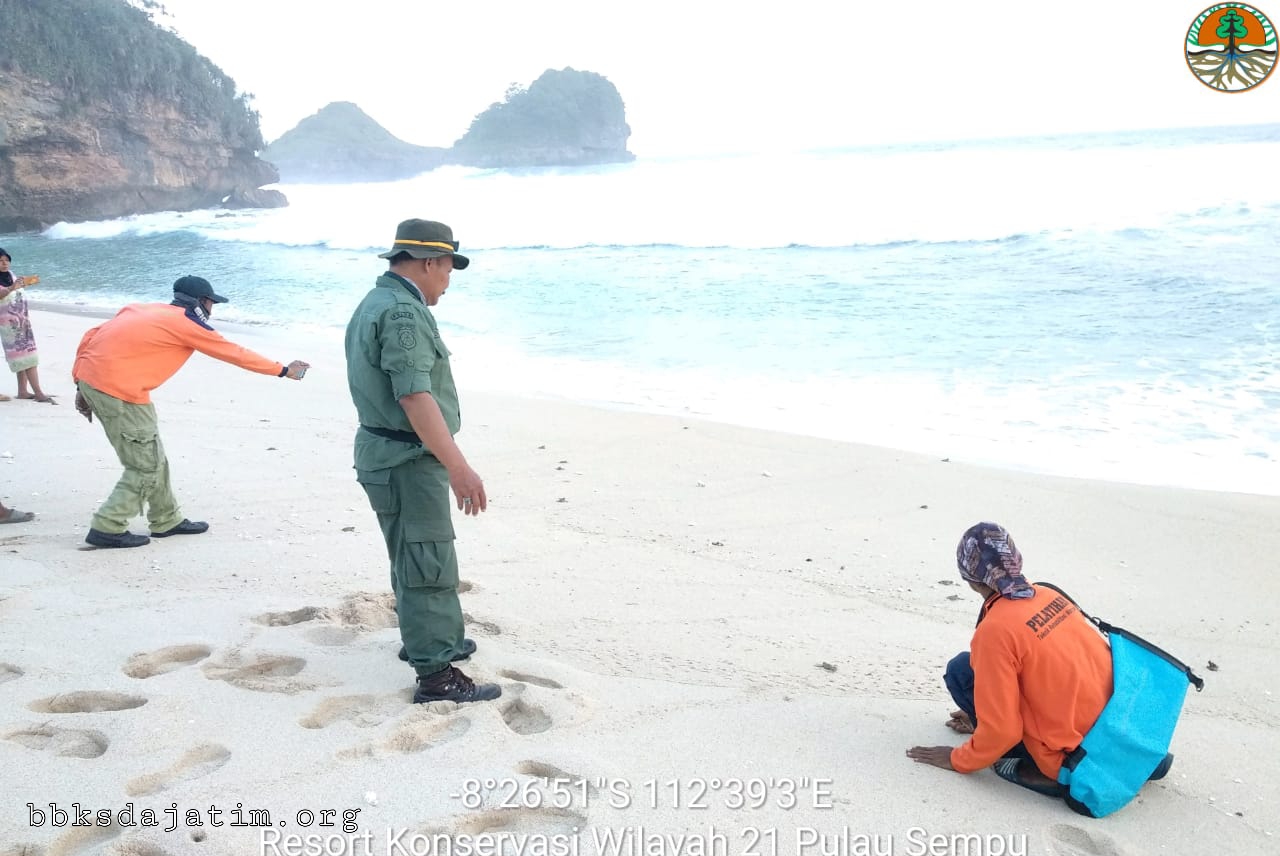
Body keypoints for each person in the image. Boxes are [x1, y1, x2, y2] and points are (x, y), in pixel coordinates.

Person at [345, 218, 500, 705]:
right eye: (449, 270)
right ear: (430, 261)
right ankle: (436, 674)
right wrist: (458, 465)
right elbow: (414, 396)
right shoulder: (402, 314)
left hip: (388, 453)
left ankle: (434, 639)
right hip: (406, 458)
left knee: (412, 554)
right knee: (426, 560)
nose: (449, 282)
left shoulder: (383, 301)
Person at [72, 276, 310, 548]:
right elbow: (234, 353)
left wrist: (79, 382)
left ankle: (167, 519)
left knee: (153, 456)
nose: (212, 309)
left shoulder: (142, 308)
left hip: (103, 384)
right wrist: (283, 370)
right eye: (212, 303)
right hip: (118, 392)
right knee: (145, 466)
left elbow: (91, 335)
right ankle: (108, 526)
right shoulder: (186, 325)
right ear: (203, 302)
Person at [906, 522, 1125, 797]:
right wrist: (984, 709)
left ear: (971, 579)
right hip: (1116, 727)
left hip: (1072, 755)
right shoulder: (1050, 594)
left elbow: (1003, 732)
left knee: (961, 671)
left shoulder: (995, 630)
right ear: (1015, 560)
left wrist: (957, 759)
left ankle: (1043, 769)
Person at [0, 248, 54, 403]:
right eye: (0, 261)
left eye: (6, 260)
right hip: (10, 326)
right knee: (29, 358)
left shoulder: (11, 275)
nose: (4, 264)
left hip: (22, 322)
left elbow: (16, 290)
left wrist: (25, 283)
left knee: (25, 358)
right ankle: (38, 393)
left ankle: (22, 391)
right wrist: (12, 288)